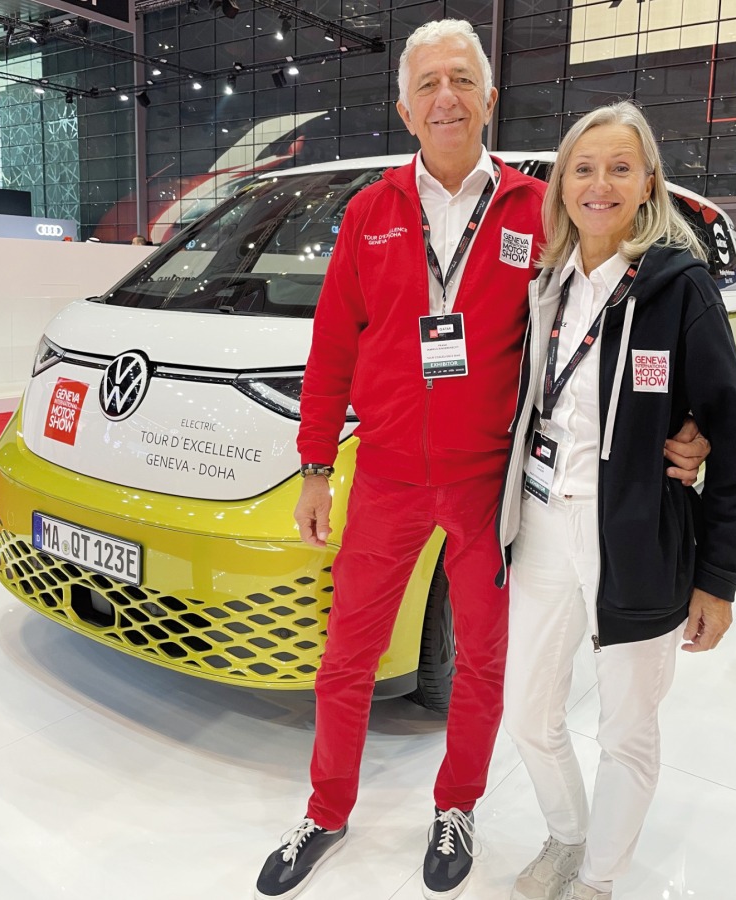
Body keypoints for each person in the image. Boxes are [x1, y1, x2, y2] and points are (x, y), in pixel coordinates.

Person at [254, 23, 710, 900]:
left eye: (463, 79)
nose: (445, 98)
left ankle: (456, 803)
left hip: (490, 488)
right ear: (404, 107)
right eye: (427, 85)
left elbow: (625, 303)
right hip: (384, 475)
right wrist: (315, 465)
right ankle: (326, 807)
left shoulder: (539, 209)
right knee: (347, 655)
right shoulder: (371, 212)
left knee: (484, 665)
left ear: (491, 98)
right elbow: (329, 351)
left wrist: (692, 421)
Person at [496, 101, 736, 900]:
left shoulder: (678, 290)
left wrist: (719, 577)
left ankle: (600, 878)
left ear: (649, 181)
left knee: (626, 731)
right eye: (583, 168)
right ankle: (568, 836)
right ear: (561, 186)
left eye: (620, 167)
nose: (600, 184)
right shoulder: (545, 286)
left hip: (640, 538)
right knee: (529, 715)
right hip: (545, 525)